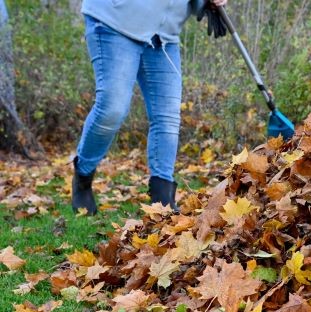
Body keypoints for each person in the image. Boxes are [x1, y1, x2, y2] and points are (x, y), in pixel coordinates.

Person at [73, 0, 228, 214]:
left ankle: (162, 201)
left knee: (168, 117)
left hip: (163, 36)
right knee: (112, 108)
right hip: (114, 21)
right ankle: (83, 175)